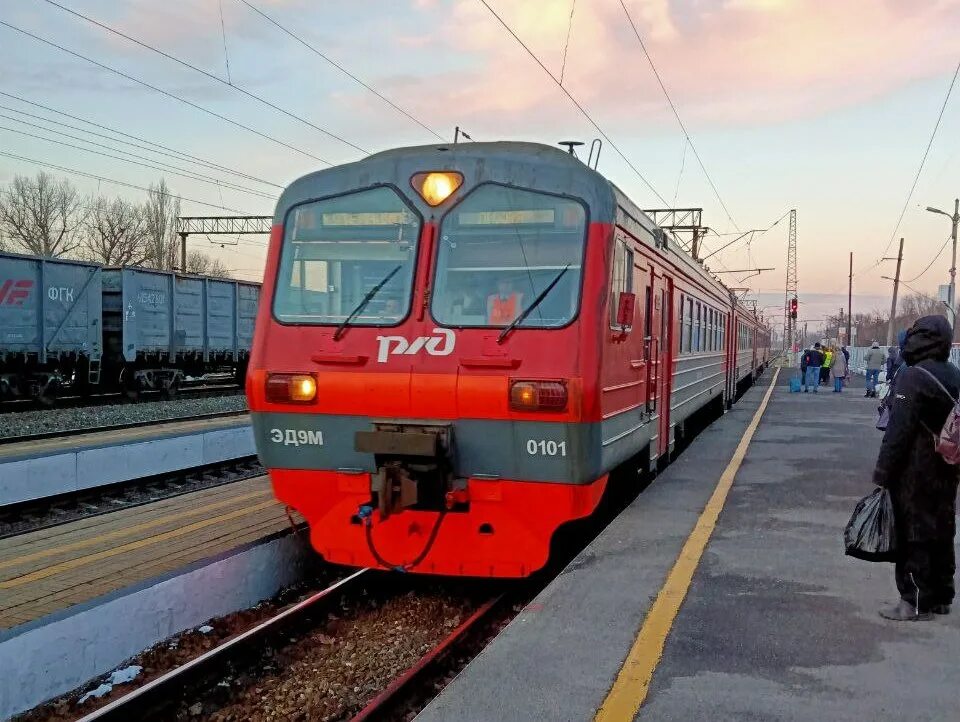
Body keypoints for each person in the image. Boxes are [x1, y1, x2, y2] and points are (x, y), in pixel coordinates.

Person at [872, 315, 960, 621]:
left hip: (915, 469)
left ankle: (912, 601)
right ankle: (941, 597)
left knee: (913, 531)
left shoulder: (912, 377)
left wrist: (882, 474)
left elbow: (899, 432)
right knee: (942, 528)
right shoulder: (953, 373)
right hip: (948, 466)